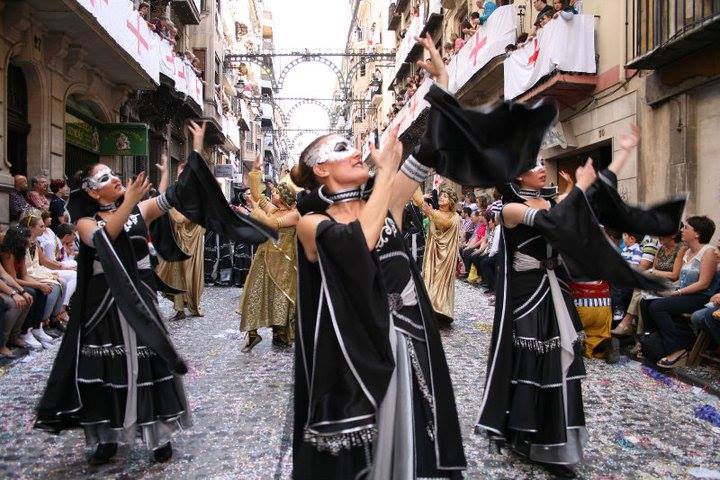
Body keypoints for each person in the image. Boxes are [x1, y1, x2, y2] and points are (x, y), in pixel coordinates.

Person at [291, 33, 465, 479]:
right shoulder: (311, 223)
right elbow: (358, 243)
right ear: (321, 169)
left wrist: (442, 88)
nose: (355, 151)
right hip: (354, 353)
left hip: (406, 340)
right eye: (341, 149)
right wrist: (385, 173)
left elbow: (427, 153)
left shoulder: (385, 199)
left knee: (412, 438)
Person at [34, 129, 191, 466]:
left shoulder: (138, 211)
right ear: (92, 191)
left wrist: (186, 161)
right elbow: (104, 240)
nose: (116, 178)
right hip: (103, 307)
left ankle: (158, 437)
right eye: (105, 178)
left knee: (147, 363)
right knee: (108, 368)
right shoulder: (84, 222)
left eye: (114, 174)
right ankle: (107, 437)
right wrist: (130, 201)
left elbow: (172, 198)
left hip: (140, 301)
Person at [238, 156, 299, 352]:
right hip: (263, 259)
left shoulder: (294, 214)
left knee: (280, 298)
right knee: (254, 293)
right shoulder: (273, 209)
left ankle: (280, 333)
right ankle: (252, 334)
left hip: (284, 266)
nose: (272, 193)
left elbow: (271, 224)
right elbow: (257, 195)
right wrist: (256, 170)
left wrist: (255, 210)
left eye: (276, 192)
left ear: (284, 196)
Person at [640, 216, 719, 369]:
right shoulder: (687, 251)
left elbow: (703, 283)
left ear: (697, 233)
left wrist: (677, 292)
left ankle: (676, 349)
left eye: (686, 227)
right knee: (646, 301)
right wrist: (673, 291)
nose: (682, 230)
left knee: (658, 307)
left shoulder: (708, 252)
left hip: (700, 296)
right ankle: (654, 343)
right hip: (684, 294)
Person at [157, 162, 206, 321]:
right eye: (179, 175)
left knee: (189, 275)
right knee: (176, 274)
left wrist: (169, 205)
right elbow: (162, 199)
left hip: (191, 244)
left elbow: (180, 218)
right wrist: (165, 174)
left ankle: (190, 304)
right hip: (178, 241)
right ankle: (179, 309)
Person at [0, 226, 53, 349]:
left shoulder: (20, 251)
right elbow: (11, 278)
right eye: (28, 237)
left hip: (10, 283)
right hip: (8, 284)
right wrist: (16, 292)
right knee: (18, 300)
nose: (31, 240)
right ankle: (7, 340)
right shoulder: (7, 254)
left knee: (38, 292)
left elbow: (21, 275)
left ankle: (33, 328)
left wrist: (39, 285)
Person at [417, 185, 462, 323]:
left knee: (441, 281)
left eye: (445, 196)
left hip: (446, 255)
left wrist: (430, 212)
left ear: (451, 201)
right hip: (433, 253)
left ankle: (441, 309)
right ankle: (429, 306)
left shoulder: (455, 217)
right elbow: (420, 203)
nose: (441, 197)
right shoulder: (435, 212)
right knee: (430, 277)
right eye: (441, 195)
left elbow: (444, 223)